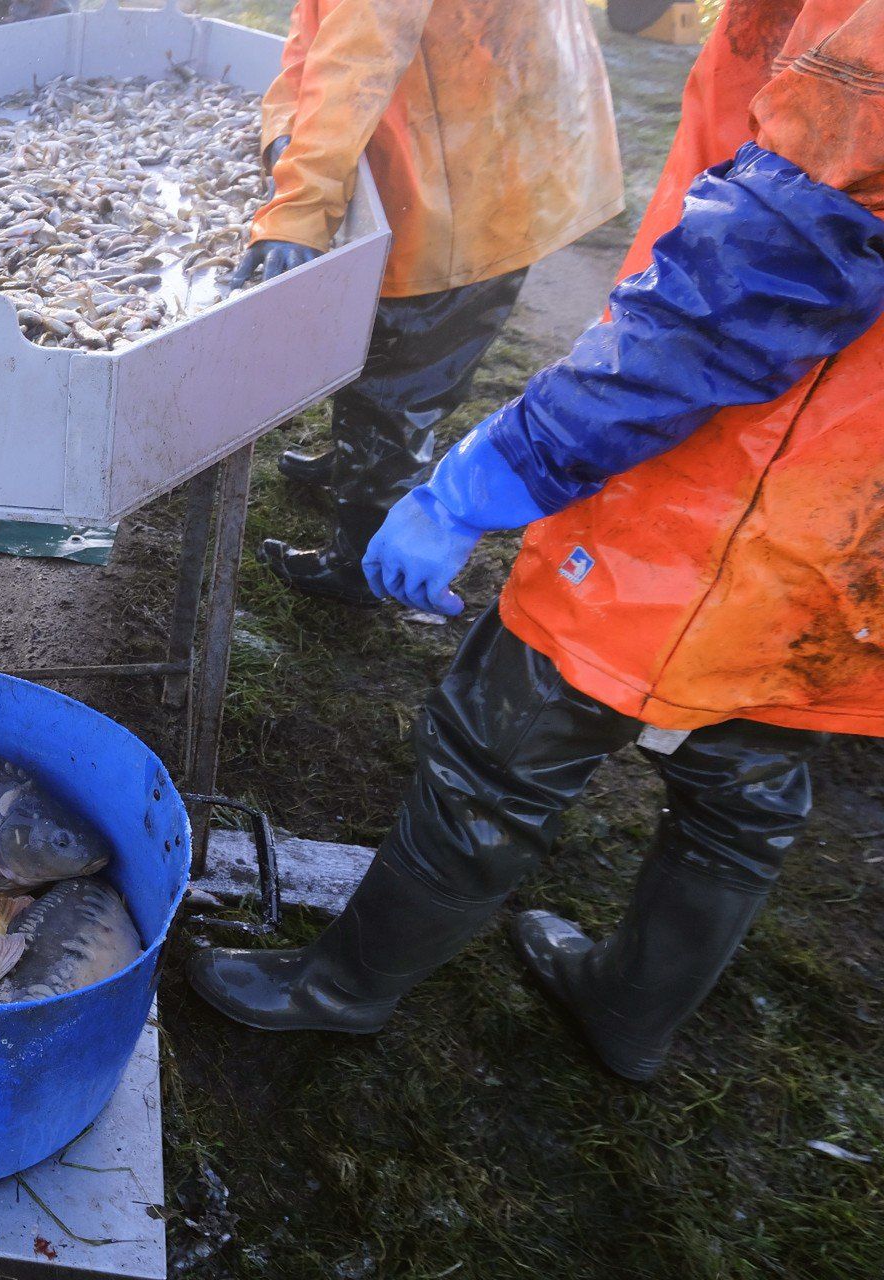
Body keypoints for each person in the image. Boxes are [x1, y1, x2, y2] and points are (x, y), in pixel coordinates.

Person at [190, 0, 884, 1082]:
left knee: (502, 749)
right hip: (859, 522)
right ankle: (631, 1012)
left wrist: (483, 479)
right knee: (750, 768)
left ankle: (341, 988)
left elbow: (734, 299)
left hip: (749, 492)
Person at [239, 0, 622, 607]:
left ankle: (361, 558)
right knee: (390, 347)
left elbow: (360, 52)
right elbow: (319, 25)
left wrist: (300, 206)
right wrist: (286, 121)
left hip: (471, 166)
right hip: (486, 131)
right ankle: (354, 464)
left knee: (400, 375)